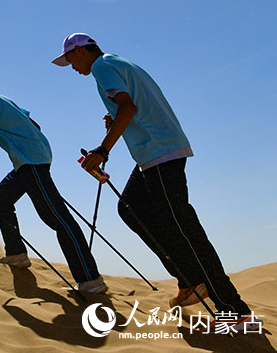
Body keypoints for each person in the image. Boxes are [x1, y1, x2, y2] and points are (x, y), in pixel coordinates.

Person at [53, 33, 253, 320]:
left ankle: (233, 309)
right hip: (156, 153)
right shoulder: (119, 62)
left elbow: (128, 107)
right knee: (130, 208)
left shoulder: (101, 67)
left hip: (160, 153)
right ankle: (189, 279)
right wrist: (114, 121)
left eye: (70, 58)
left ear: (82, 51)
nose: (71, 66)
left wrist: (103, 150)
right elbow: (133, 107)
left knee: (185, 228)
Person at [0, 72, 107, 293]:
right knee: (0, 197)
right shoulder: (2, 99)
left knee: (57, 218)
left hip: (32, 162)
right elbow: (35, 124)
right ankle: (17, 254)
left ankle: (90, 279)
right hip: (30, 162)